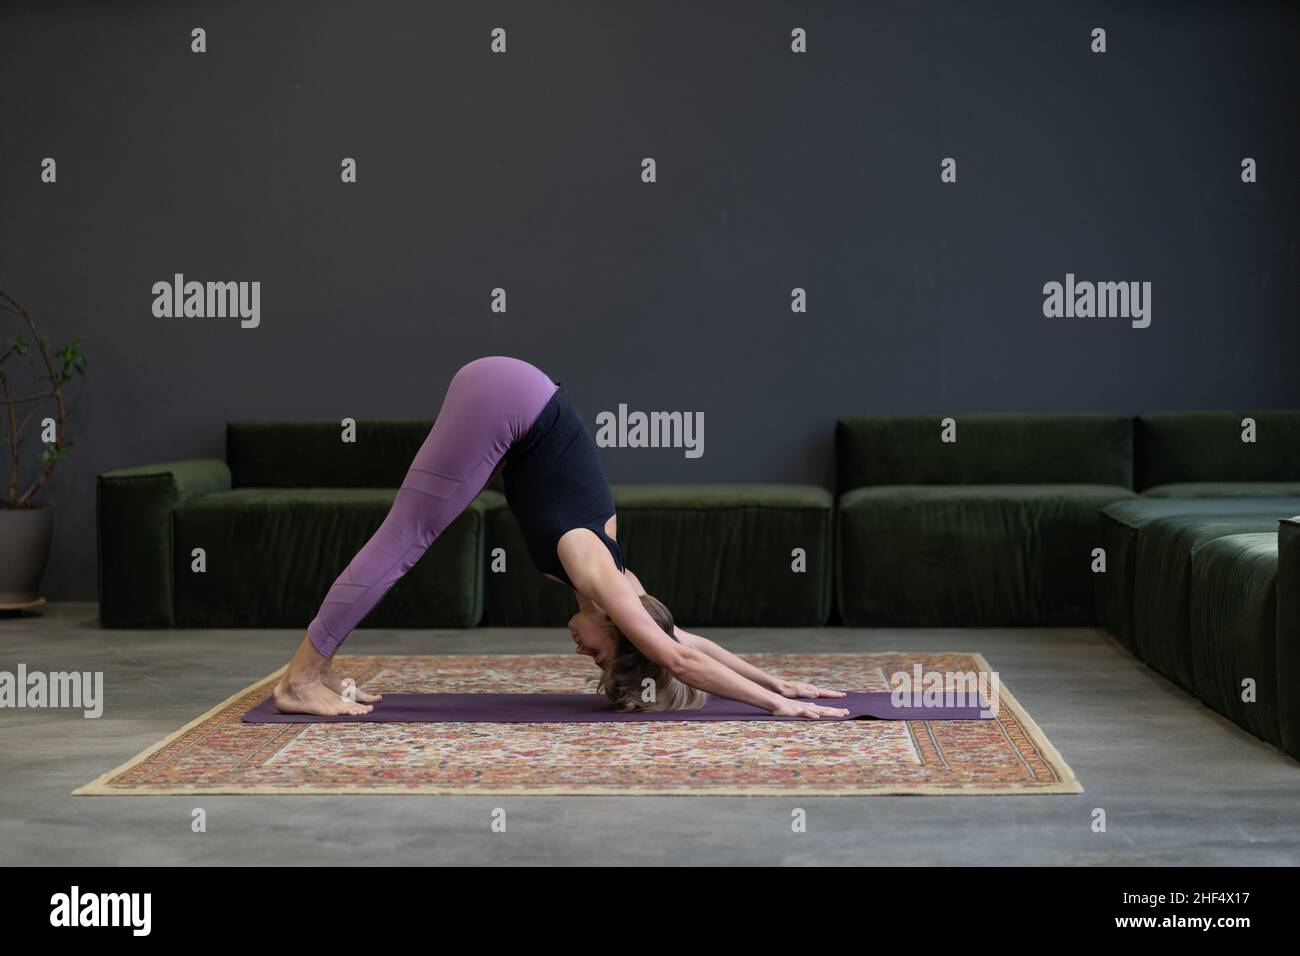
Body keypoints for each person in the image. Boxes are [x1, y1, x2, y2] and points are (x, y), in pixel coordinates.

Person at [273, 356, 848, 719]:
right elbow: (673, 655)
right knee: (406, 538)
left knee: (409, 535)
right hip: (507, 399)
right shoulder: (601, 577)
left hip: (514, 393)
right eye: (599, 657)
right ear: (621, 634)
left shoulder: (622, 592)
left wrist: (779, 680)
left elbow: (684, 642)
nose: (581, 653)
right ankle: (299, 680)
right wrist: (777, 707)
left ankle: (316, 672)